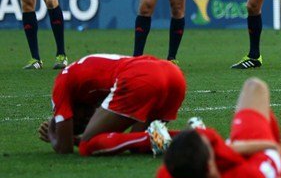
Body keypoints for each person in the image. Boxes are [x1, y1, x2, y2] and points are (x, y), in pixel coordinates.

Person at [38, 54, 188, 156]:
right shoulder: (87, 82)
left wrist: (52, 133)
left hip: (143, 77)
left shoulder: (61, 85)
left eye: (80, 121)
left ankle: (181, 136)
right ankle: (191, 135)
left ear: (74, 110)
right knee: (140, 147)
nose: (86, 121)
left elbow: (65, 149)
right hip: (174, 75)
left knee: (87, 145)